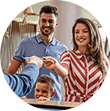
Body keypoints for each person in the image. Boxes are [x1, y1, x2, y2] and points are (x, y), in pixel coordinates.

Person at [5, 5, 68, 101]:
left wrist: (56, 65)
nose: (47, 24)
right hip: (29, 100)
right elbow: (10, 72)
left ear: (56, 24)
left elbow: (65, 74)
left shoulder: (63, 48)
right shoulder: (25, 44)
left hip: (54, 100)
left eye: (51, 21)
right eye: (43, 21)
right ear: (39, 22)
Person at [43, 18, 109, 102]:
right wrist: (56, 65)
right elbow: (64, 72)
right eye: (77, 32)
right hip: (72, 105)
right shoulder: (68, 55)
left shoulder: (102, 60)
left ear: (93, 34)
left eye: (84, 31)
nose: (80, 35)